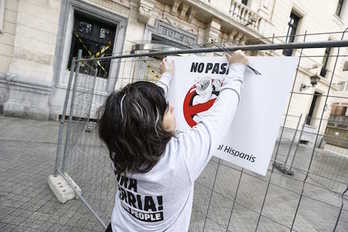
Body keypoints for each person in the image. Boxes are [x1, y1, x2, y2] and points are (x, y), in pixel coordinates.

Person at [99, 51, 248, 232]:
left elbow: (141, 115)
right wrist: (237, 69)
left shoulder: (120, 146)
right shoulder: (181, 157)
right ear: (155, 127)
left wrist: (167, 75)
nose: (171, 107)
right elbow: (221, 116)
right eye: (166, 110)